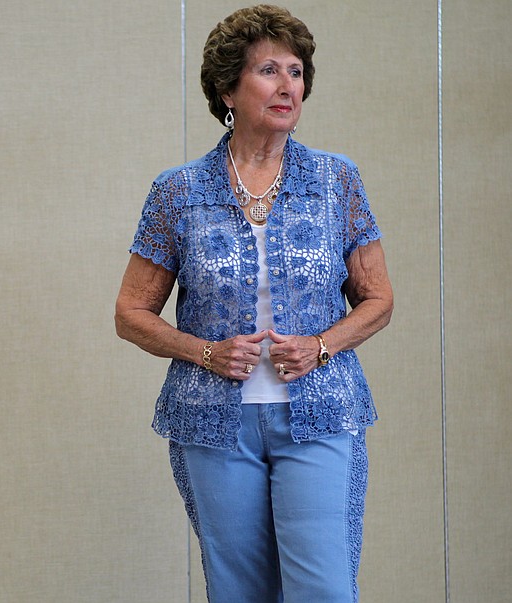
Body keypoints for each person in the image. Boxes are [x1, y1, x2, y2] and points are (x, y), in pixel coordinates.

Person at [115, 5, 393, 602]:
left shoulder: (337, 181)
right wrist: (206, 351)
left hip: (321, 413)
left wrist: (322, 345)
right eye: (269, 70)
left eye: (296, 71)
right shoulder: (178, 192)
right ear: (227, 90)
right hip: (214, 424)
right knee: (240, 592)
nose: (288, 84)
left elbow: (378, 299)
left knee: (323, 589)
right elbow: (130, 313)